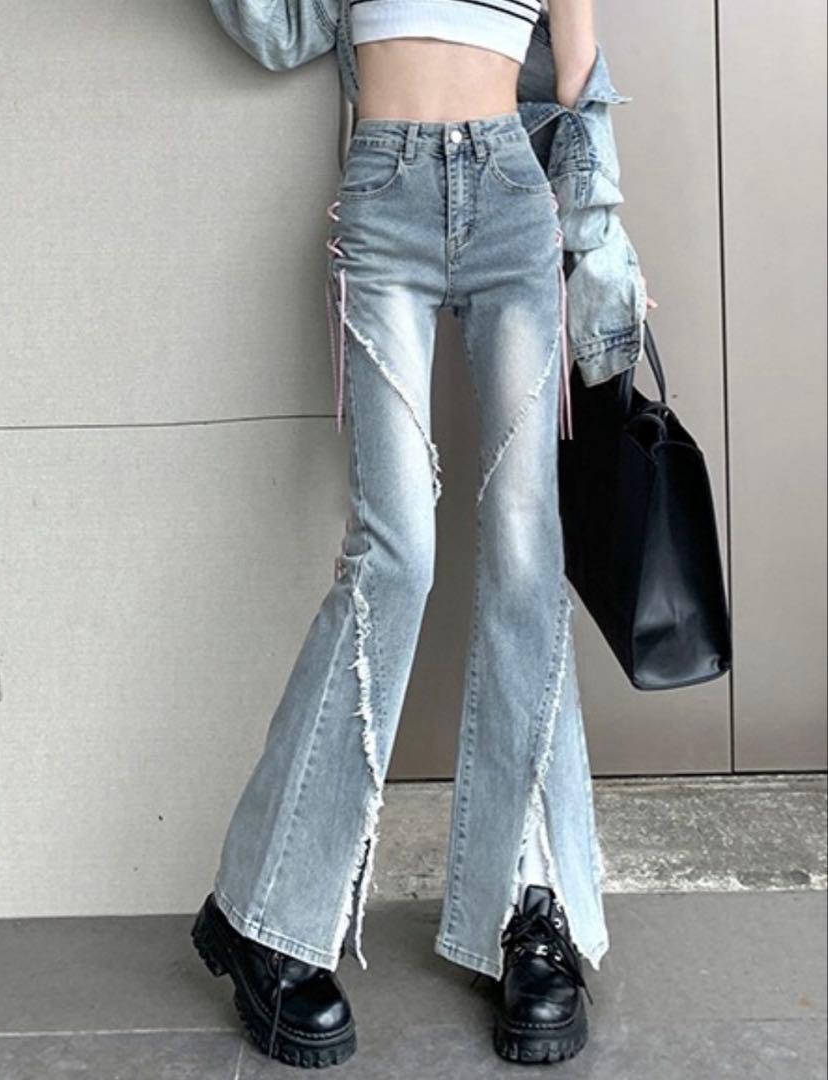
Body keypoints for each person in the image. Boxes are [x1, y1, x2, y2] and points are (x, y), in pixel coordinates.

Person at [193, 0, 656, 1067]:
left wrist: (601, 241)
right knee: (394, 555)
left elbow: (576, 83)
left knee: (527, 558)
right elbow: (274, 31)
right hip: (384, 195)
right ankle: (264, 911)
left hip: (511, 197)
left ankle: (528, 908)